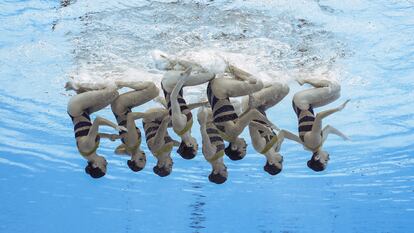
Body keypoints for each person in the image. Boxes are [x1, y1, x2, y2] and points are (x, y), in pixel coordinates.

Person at [206, 64, 279, 161]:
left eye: (244, 148)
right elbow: (247, 121)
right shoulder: (228, 135)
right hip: (211, 90)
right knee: (248, 88)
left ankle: (231, 67)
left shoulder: (234, 133)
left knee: (258, 85)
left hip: (219, 89)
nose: (246, 145)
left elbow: (253, 114)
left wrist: (270, 125)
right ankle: (232, 75)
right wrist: (264, 127)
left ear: (234, 147)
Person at [66, 82, 126, 178]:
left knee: (112, 90)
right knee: (114, 96)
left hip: (76, 107)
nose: (107, 163)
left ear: (95, 165)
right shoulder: (89, 152)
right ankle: (79, 89)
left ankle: (76, 85)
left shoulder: (87, 148)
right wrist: (109, 136)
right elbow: (92, 134)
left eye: (104, 166)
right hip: (85, 111)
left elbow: (98, 120)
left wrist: (115, 126)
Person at [290, 77, 350, 172]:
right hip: (306, 105)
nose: (328, 159)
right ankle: (317, 79)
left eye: (325, 162)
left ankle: (304, 78)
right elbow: (329, 128)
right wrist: (343, 136)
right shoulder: (316, 145)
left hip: (301, 101)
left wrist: (338, 109)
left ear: (317, 157)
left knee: (335, 87)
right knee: (336, 95)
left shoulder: (315, 142)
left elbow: (319, 116)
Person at [161, 64, 215, 160]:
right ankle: (173, 65)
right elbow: (185, 108)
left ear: (189, 144)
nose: (198, 145)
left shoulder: (179, 126)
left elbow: (173, 98)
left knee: (211, 74)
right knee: (201, 71)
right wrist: (202, 104)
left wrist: (184, 78)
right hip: (171, 85)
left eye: (196, 147)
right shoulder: (186, 130)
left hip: (170, 85)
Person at [243, 82, 298, 175]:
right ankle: (259, 84)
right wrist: (301, 141)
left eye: (280, 162)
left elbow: (250, 122)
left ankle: (255, 83)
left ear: (271, 162)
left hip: (250, 106)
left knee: (279, 86)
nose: (282, 160)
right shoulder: (277, 148)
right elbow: (283, 133)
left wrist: (267, 126)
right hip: (261, 108)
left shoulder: (260, 147)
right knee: (285, 89)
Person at [111, 81, 159, 172]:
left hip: (121, 106)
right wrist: (129, 153)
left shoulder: (133, 143)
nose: (144, 157)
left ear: (132, 159)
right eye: (145, 159)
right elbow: (116, 152)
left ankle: (121, 82)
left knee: (152, 89)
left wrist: (146, 116)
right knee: (155, 92)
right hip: (120, 108)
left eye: (140, 159)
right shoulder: (130, 149)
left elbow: (130, 116)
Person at [126, 108, 175, 177]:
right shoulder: (164, 153)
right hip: (157, 119)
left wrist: (174, 113)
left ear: (160, 164)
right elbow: (168, 140)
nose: (173, 163)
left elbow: (164, 122)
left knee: (181, 116)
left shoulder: (157, 148)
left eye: (170, 166)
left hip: (152, 118)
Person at [197, 106, 227, 184]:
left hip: (208, 117)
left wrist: (204, 116)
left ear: (216, 171)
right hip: (214, 119)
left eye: (225, 170)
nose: (226, 167)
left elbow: (203, 133)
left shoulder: (210, 155)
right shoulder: (219, 159)